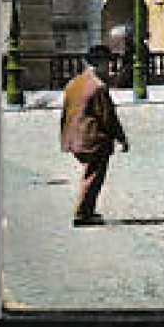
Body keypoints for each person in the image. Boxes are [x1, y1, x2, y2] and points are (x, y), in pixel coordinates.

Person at [59, 44, 129, 227]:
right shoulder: (98, 87)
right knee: (94, 176)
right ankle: (83, 214)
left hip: (73, 138)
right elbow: (108, 118)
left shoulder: (73, 83)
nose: (110, 68)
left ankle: (87, 210)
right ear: (100, 63)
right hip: (92, 139)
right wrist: (121, 138)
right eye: (108, 64)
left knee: (89, 173)